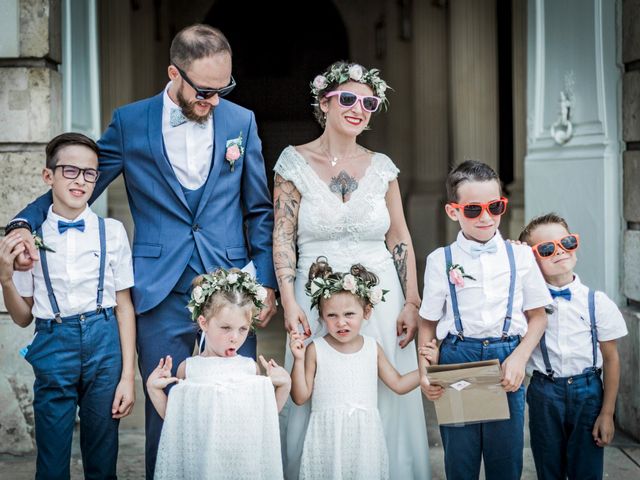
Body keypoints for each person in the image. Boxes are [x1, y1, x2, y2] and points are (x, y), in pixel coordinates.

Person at [6, 24, 277, 477]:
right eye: (205, 91)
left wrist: (263, 279)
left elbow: (259, 209)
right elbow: (78, 188)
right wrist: (21, 223)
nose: (214, 101)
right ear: (174, 72)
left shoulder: (240, 122)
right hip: (157, 286)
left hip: (231, 291)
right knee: (162, 402)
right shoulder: (131, 122)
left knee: (234, 400)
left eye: (223, 89)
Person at [273, 61, 430, 479]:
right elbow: (283, 237)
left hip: (380, 301)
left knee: (386, 397)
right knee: (319, 392)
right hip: (313, 297)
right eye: (347, 98)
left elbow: (399, 236)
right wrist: (290, 303)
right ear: (324, 103)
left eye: (369, 102)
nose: (359, 107)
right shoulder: (293, 163)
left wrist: (412, 300)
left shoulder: (383, 167)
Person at [0, 133, 136, 479]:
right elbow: (22, 316)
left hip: (104, 345)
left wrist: (127, 378)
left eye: (89, 173)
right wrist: (4, 279)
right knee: (51, 463)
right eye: (70, 171)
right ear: (49, 177)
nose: (81, 180)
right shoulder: (31, 237)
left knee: (102, 461)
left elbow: (124, 306)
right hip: (53, 342)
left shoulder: (112, 231)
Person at [418, 160, 551, 479]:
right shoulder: (441, 260)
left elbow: (538, 316)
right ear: (454, 212)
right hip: (456, 361)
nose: (487, 217)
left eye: (495, 206)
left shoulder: (520, 256)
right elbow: (427, 324)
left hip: (506, 360)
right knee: (460, 462)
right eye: (474, 210)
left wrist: (520, 357)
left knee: (505, 462)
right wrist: (426, 372)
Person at [288, 257, 437, 480]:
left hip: (365, 439)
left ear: (366, 312)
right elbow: (300, 397)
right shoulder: (315, 350)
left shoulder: (371, 348)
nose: (341, 322)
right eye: (332, 315)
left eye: (349, 314)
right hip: (327, 438)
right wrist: (298, 360)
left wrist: (429, 368)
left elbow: (398, 384)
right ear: (321, 315)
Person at [147, 268, 290, 480]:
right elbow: (177, 420)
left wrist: (283, 385)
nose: (235, 337)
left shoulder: (249, 368)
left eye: (243, 329)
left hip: (241, 464)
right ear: (204, 323)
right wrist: (153, 388)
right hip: (204, 464)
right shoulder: (189, 368)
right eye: (226, 328)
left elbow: (264, 417)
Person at [519, 213, 627, 480]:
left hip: (588, 392)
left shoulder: (597, 302)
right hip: (544, 392)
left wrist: (608, 412)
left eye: (566, 242)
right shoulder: (526, 306)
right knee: (549, 467)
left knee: (587, 470)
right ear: (532, 260)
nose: (560, 252)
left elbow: (611, 358)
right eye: (546, 249)